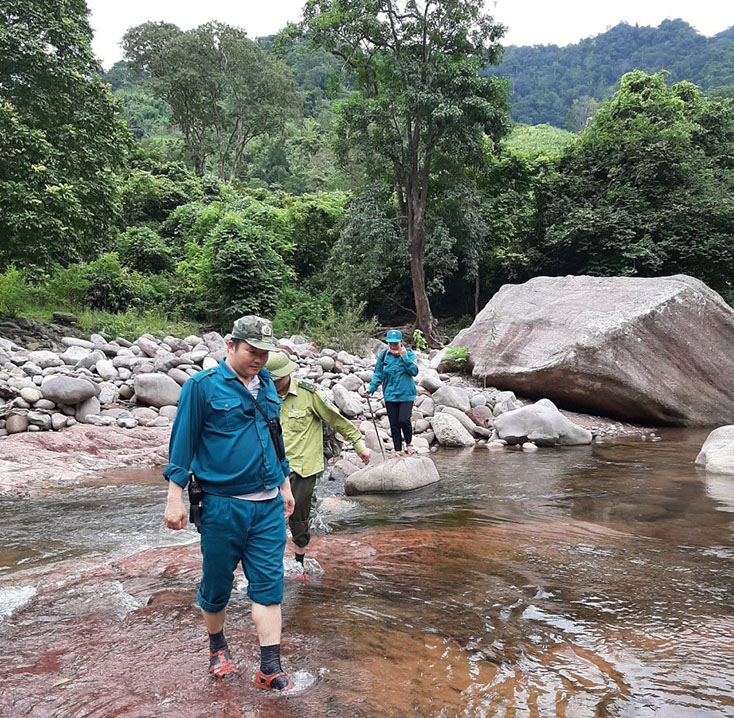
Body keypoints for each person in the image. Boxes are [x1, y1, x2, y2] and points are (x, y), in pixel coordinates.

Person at [162, 315, 296, 690]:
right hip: (222, 506)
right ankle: (217, 645)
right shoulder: (201, 388)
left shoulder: (267, 384)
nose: (258, 360)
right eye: (252, 351)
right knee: (217, 583)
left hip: (268, 505)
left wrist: (285, 485)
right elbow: (182, 444)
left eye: (264, 353)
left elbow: (275, 439)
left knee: (269, 584)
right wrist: (175, 497)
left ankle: (270, 666)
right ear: (231, 346)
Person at [265, 351, 371, 569]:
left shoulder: (309, 394)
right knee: (267, 516)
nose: (269, 384)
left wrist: (359, 444)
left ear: (283, 377)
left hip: (304, 467)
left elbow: (336, 420)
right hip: (272, 467)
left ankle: (299, 560)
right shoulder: (262, 396)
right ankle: (268, 563)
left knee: (300, 517)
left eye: (272, 380)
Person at [367, 329, 419, 455]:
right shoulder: (384, 356)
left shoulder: (409, 354)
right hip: (390, 395)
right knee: (394, 424)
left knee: (403, 419)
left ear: (400, 342)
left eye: (395, 343)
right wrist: (371, 389)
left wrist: (404, 357)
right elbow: (378, 373)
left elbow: (414, 372)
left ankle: (409, 443)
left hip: (406, 395)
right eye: (391, 343)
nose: (393, 346)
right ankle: (397, 450)